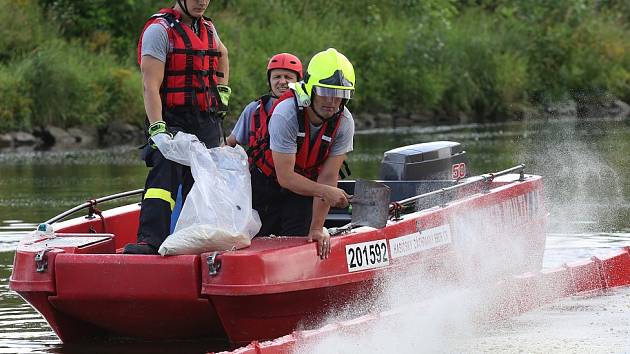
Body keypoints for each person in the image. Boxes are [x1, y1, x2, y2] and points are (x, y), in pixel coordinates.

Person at [123, 0, 230, 254]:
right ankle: (151, 241)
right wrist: (158, 127)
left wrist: (222, 92)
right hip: (170, 118)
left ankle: (201, 242)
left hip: (204, 118)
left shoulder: (207, 28)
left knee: (205, 181)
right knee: (163, 180)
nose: (202, 1)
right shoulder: (159, 30)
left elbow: (222, 54)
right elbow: (150, 85)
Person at [247, 48, 355, 260]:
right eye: (326, 92)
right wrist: (326, 192)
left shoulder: (345, 122)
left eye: (341, 94)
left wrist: (317, 228)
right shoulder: (285, 114)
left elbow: (328, 177)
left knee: (297, 241)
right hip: (266, 185)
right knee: (260, 245)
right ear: (311, 89)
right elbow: (285, 177)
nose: (332, 101)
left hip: (304, 188)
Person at [226, 53, 302, 148]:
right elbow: (230, 142)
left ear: (298, 82)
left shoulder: (307, 111)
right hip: (257, 163)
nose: (282, 82)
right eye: (277, 77)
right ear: (269, 81)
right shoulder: (254, 109)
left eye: (288, 77)